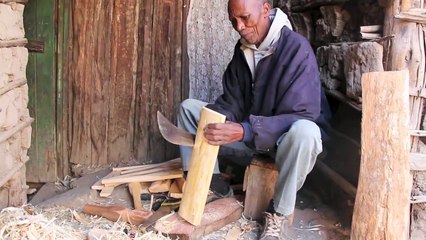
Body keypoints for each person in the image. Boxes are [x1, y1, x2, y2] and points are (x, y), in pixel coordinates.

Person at [178, 0, 331, 239]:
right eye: (233, 21)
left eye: (245, 18)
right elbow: (233, 102)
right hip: (252, 135)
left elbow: (302, 114)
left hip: (286, 145)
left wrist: (244, 131)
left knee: (306, 132)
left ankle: (278, 214)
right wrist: (222, 119)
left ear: (266, 10)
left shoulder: (296, 49)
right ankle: (214, 187)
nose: (239, 26)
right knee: (189, 109)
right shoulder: (243, 51)